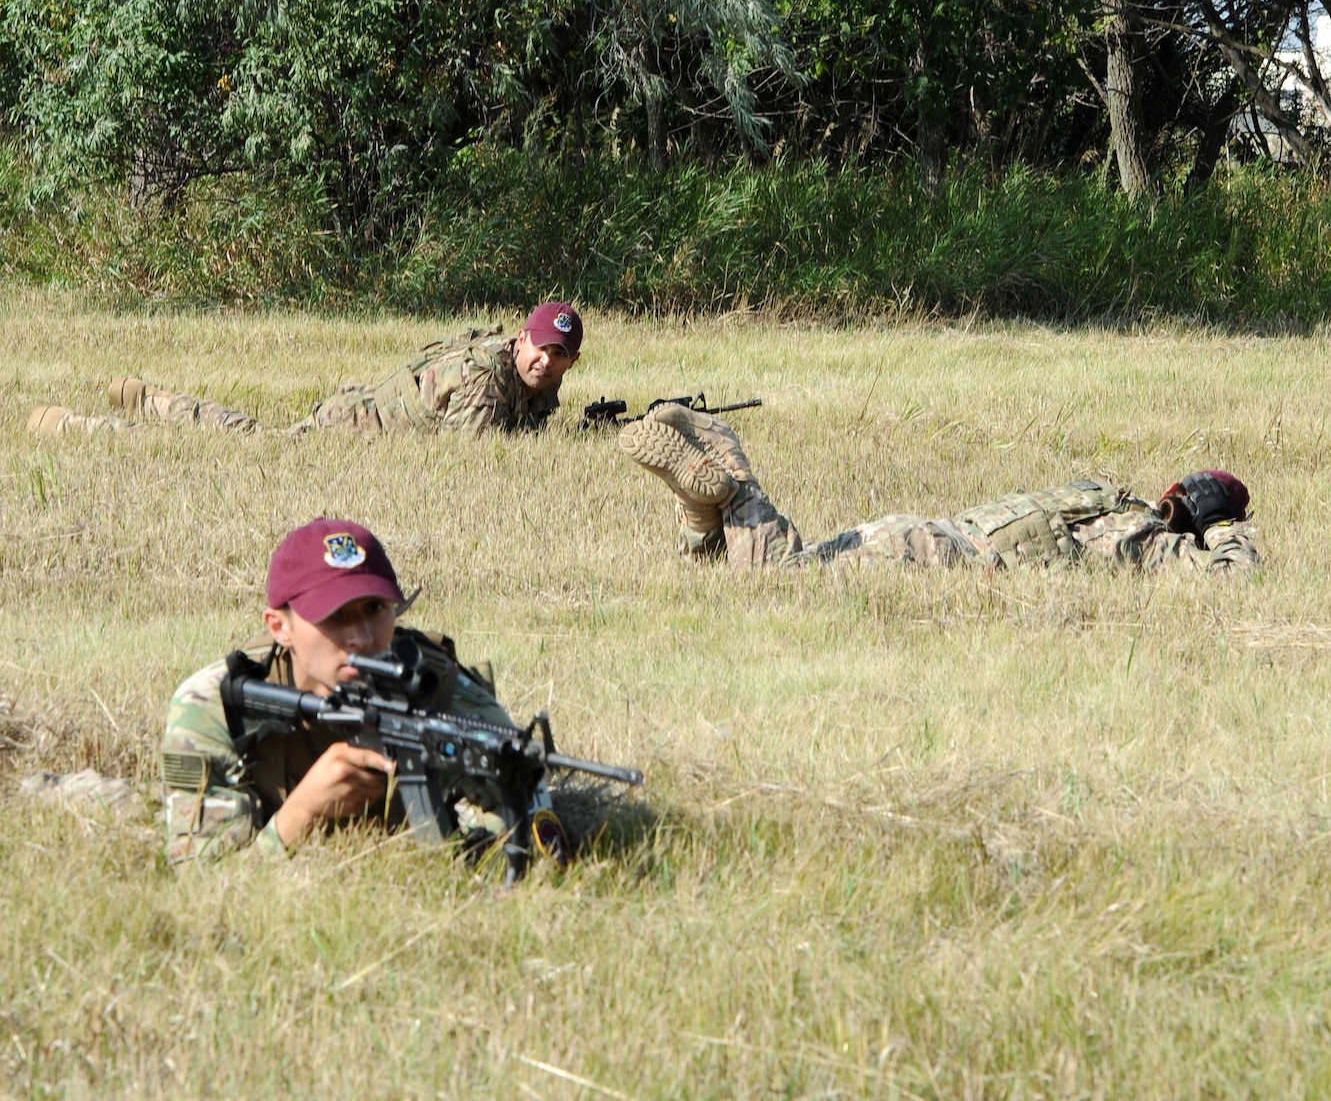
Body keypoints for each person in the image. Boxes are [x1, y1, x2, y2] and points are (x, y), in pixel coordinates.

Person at [161, 517, 563, 864]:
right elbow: (205, 883)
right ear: (279, 627)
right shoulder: (215, 706)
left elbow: (537, 854)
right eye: (334, 616)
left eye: (375, 609)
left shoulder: (439, 687)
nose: (361, 637)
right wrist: (302, 812)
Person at [618, 403, 1260, 574]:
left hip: (923, 533)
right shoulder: (1145, 541)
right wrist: (1224, 529)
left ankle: (699, 517)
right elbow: (1237, 580)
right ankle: (731, 487)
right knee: (782, 580)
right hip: (943, 562)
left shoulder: (1096, 492)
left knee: (780, 570)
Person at [27, 301, 584, 440]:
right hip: (354, 428)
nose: (544, 360)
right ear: (520, 338)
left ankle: (150, 398)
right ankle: (81, 427)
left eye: (558, 356)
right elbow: (476, 462)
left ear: (569, 363)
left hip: (366, 412)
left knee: (247, 436)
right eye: (540, 347)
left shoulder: (534, 380)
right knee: (246, 442)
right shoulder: (483, 375)